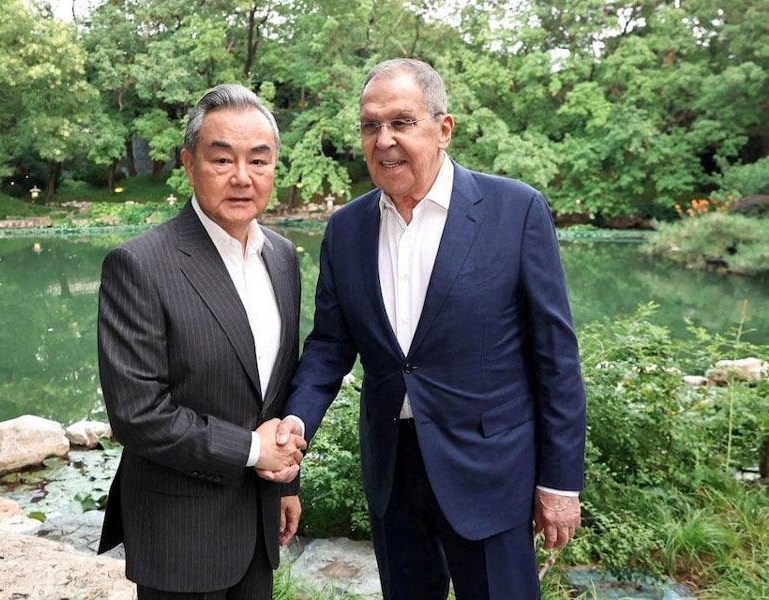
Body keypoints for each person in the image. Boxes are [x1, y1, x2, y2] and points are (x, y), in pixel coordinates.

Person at [264, 59, 587, 599]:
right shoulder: (346, 229)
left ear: (444, 129)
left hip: (490, 471)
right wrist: (295, 423)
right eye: (370, 126)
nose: (384, 140)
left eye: (402, 122)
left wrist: (559, 482)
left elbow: (556, 358)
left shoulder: (515, 210)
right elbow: (329, 347)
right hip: (394, 473)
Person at [96, 83, 307, 600]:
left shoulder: (282, 257)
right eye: (222, 159)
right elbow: (138, 414)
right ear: (189, 165)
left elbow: (276, 389)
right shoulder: (140, 265)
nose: (242, 177)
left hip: (256, 524)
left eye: (259, 160)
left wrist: (284, 481)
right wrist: (253, 450)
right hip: (180, 535)